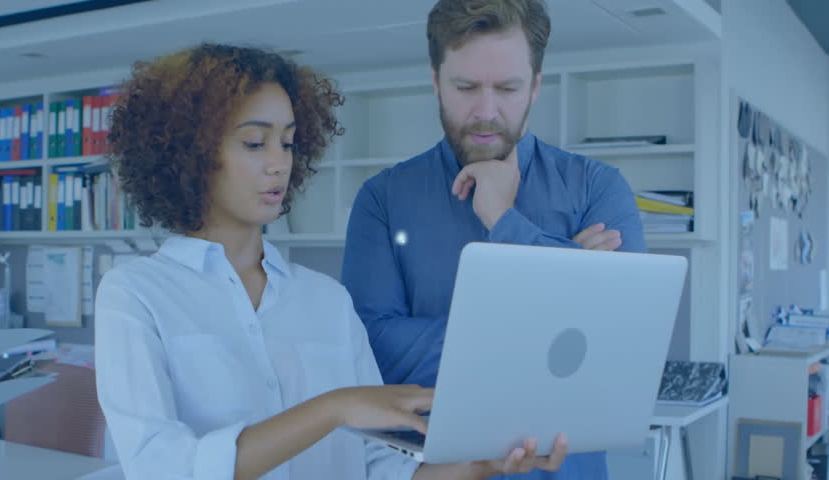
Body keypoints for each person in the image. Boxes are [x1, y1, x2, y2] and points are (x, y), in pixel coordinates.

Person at [95, 43, 567, 480]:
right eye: (255, 143)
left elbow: (378, 468)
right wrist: (335, 407)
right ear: (190, 155)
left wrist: (483, 463)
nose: (280, 163)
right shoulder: (136, 294)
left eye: (288, 142)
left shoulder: (326, 300)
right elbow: (165, 467)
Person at [341, 1, 646, 479]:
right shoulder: (381, 199)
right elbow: (374, 347)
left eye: (507, 88)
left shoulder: (598, 188)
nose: (486, 113)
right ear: (436, 80)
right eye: (465, 88)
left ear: (536, 86)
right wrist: (567, 273)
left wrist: (505, 220)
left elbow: (619, 347)